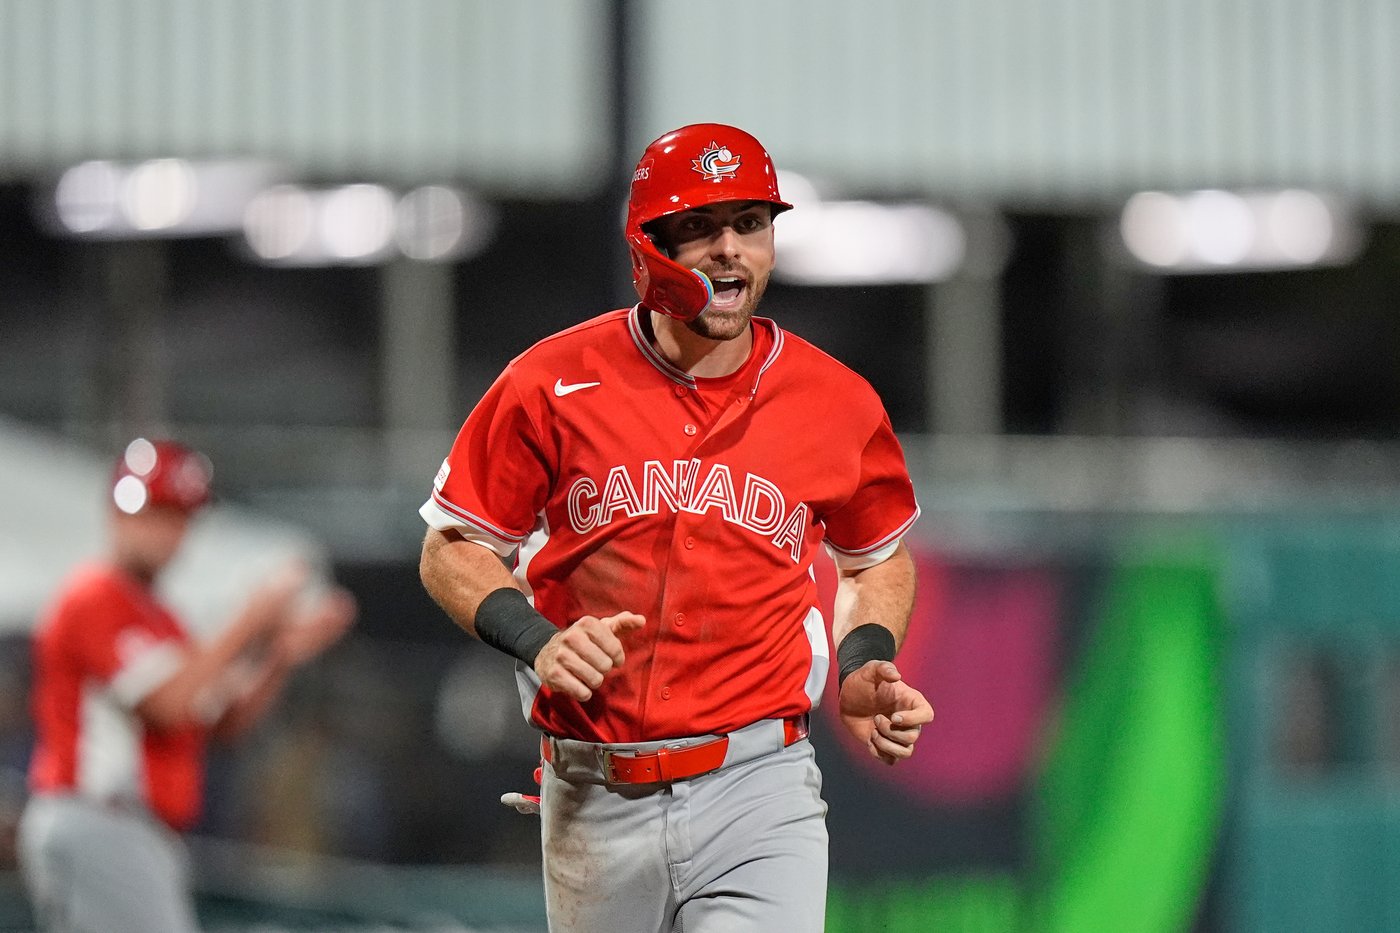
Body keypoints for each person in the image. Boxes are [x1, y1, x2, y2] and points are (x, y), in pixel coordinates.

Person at [418, 122, 933, 933]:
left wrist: (867, 655)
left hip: (759, 785)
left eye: (751, 223)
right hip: (592, 792)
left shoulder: (836, 401)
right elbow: (453, 546)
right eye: (699, 226)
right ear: (647, 246)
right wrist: (537, 638)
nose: (730, 249)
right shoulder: (549, 382)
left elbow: (877, 560)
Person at [18, 438, 357, 933]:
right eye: (150, 514)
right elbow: (168, 705)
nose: (163, 533)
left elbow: (221, 723)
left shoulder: (164, 621)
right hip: (97, 818)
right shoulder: (92, 595)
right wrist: (251, 618)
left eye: (176, 518)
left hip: (137, 831)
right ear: (116, 514)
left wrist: (279, 655)